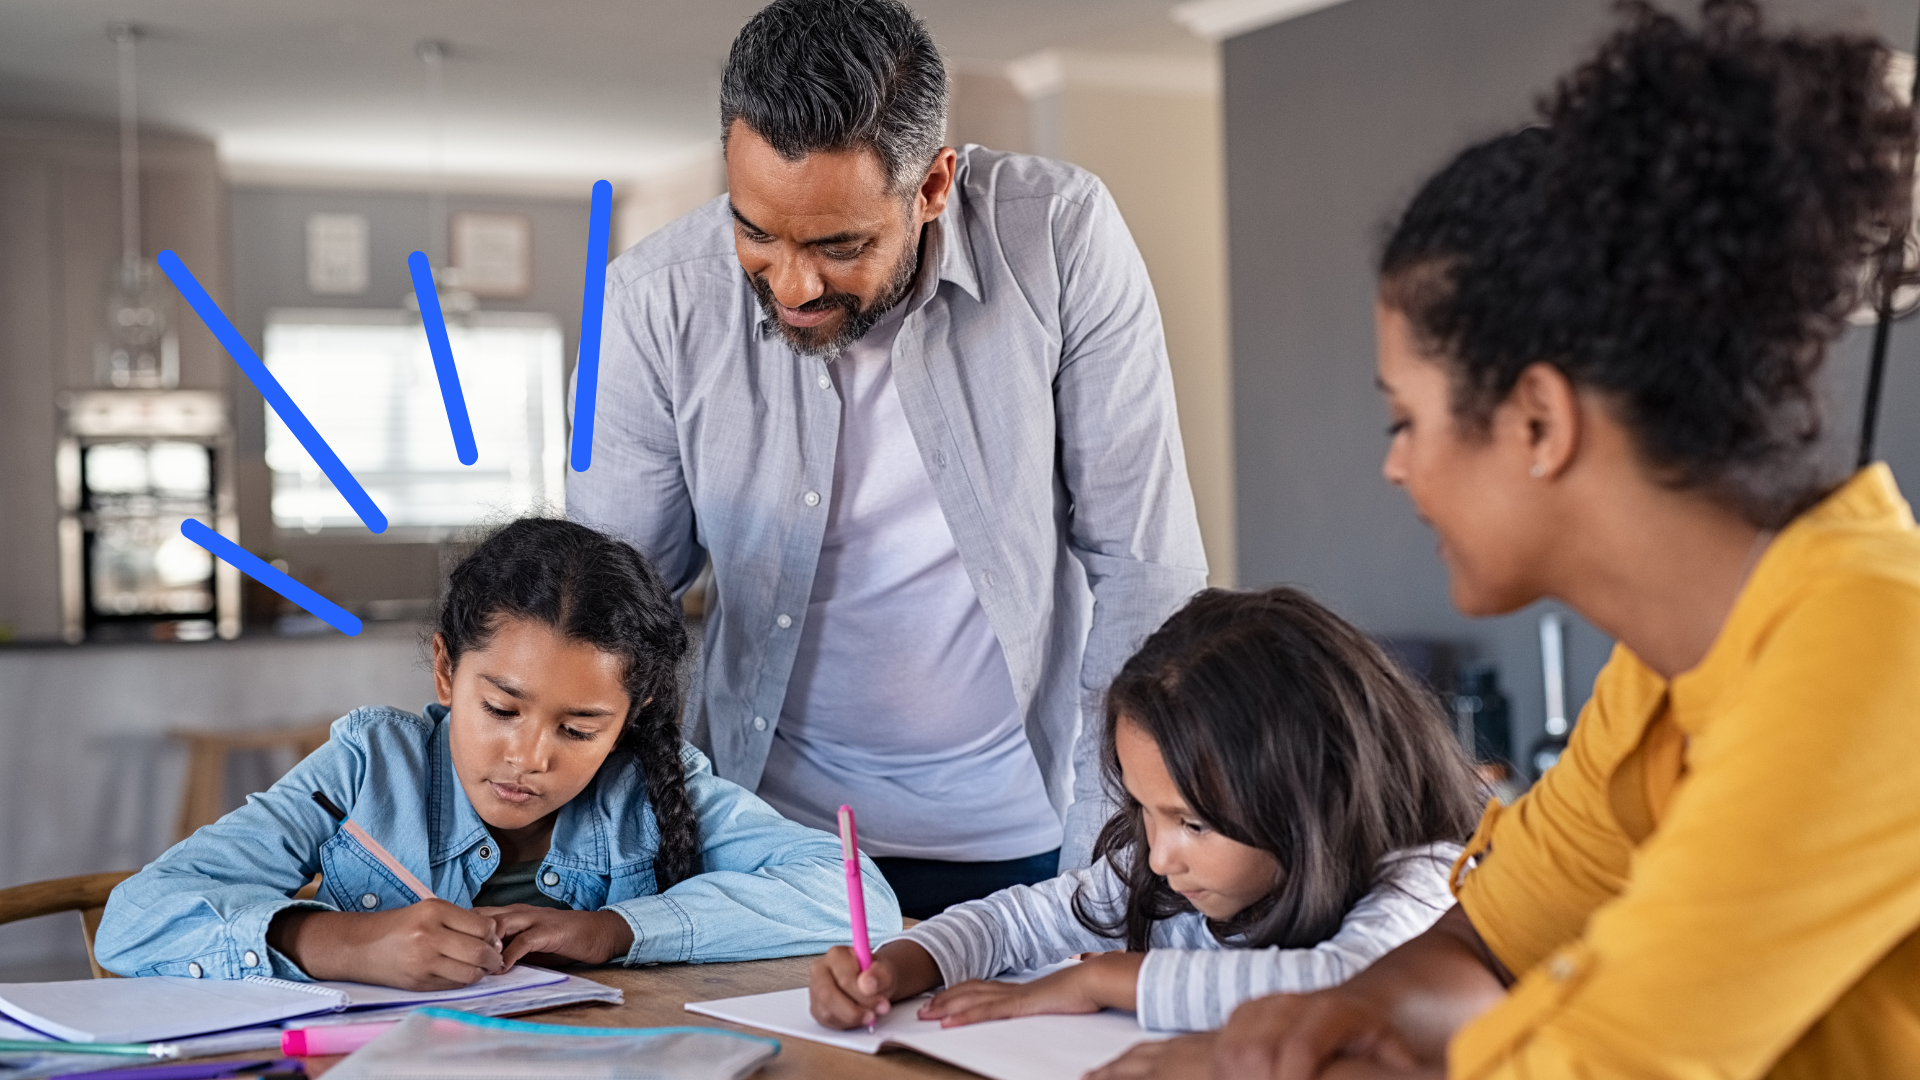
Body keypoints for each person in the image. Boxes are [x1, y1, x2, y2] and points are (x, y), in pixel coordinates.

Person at [1091, 2, 1920, 1077]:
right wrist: (1326, 1027)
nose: (1395, 466)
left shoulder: (1866, 651)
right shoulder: (1660, 679)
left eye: (1406, 419)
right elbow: (1485, 938)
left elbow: (1606, 1056)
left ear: (1538, 419)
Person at [568, 0, 1208, 918]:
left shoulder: (1060, 236)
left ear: (934, 185)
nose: (792, 285)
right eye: (756, 231)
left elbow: (1148, 571)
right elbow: (607, 611)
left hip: (1035, 833)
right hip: (766, 844)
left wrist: (1103, 867)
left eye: (840, 245)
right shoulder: (649, 301)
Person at [96, 519, 900, 988]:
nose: (528, 755)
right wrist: (338, 942)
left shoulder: (655, 786)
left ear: (632, 715)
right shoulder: (368, 767)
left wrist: (617, 929)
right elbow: (133, 923)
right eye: (502, 708)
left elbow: (856, 896)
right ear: (448, 671)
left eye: (579, 728)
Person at [808, 587, 1481, 1034]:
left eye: (1193, 822)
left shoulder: (1425, 881)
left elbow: (1352, 986)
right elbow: (1016, 921)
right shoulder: (1163, 872)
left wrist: (1106, 978)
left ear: (1317, 794)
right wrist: (900, 966)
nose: (1158, 857)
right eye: (1143, 809)